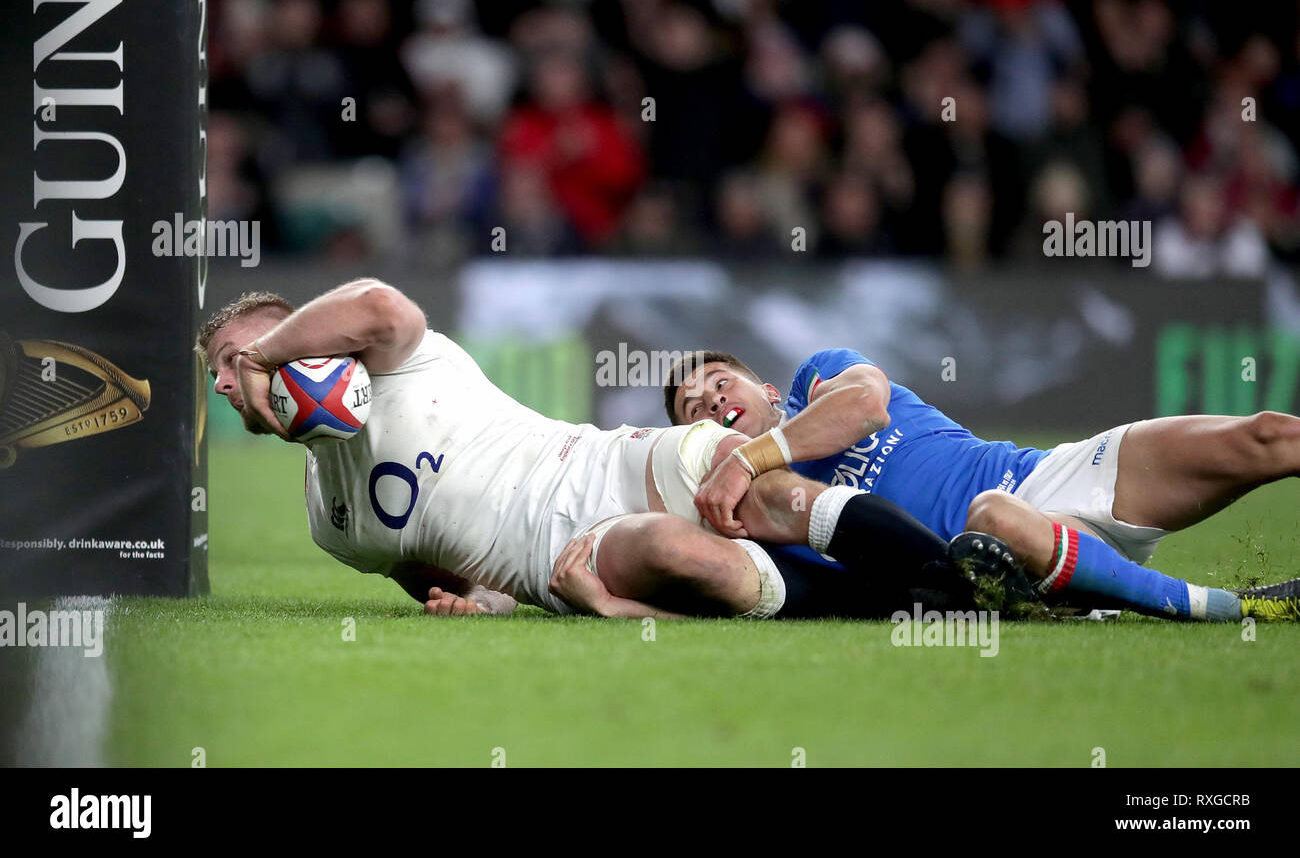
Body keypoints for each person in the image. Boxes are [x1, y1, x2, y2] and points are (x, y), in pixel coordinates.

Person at [197, 280, 1017, 621]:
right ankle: (919, 608)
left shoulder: (399, 354)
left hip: (599, 458)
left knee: (763, 493)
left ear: (291, 341)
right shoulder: (328, 523)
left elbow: (374, 303)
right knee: (681, 551)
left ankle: (967, 583)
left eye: (235, 360)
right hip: (563, 552)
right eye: (220, 375)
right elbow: (444, 575)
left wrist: (267, 355)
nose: (229, 384)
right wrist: (480, 604)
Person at [664, 349, 1300, 623]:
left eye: (720, 382)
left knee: (1267, 434)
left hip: (1049, 471)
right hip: (993, 552)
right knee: (992, 518)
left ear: (766, 390)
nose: (713, 402)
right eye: (694, 410)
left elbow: (867, 407)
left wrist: (749, 458)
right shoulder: (769, 518)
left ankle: (1085, 598)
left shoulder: (820, 377)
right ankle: (1236, 607)